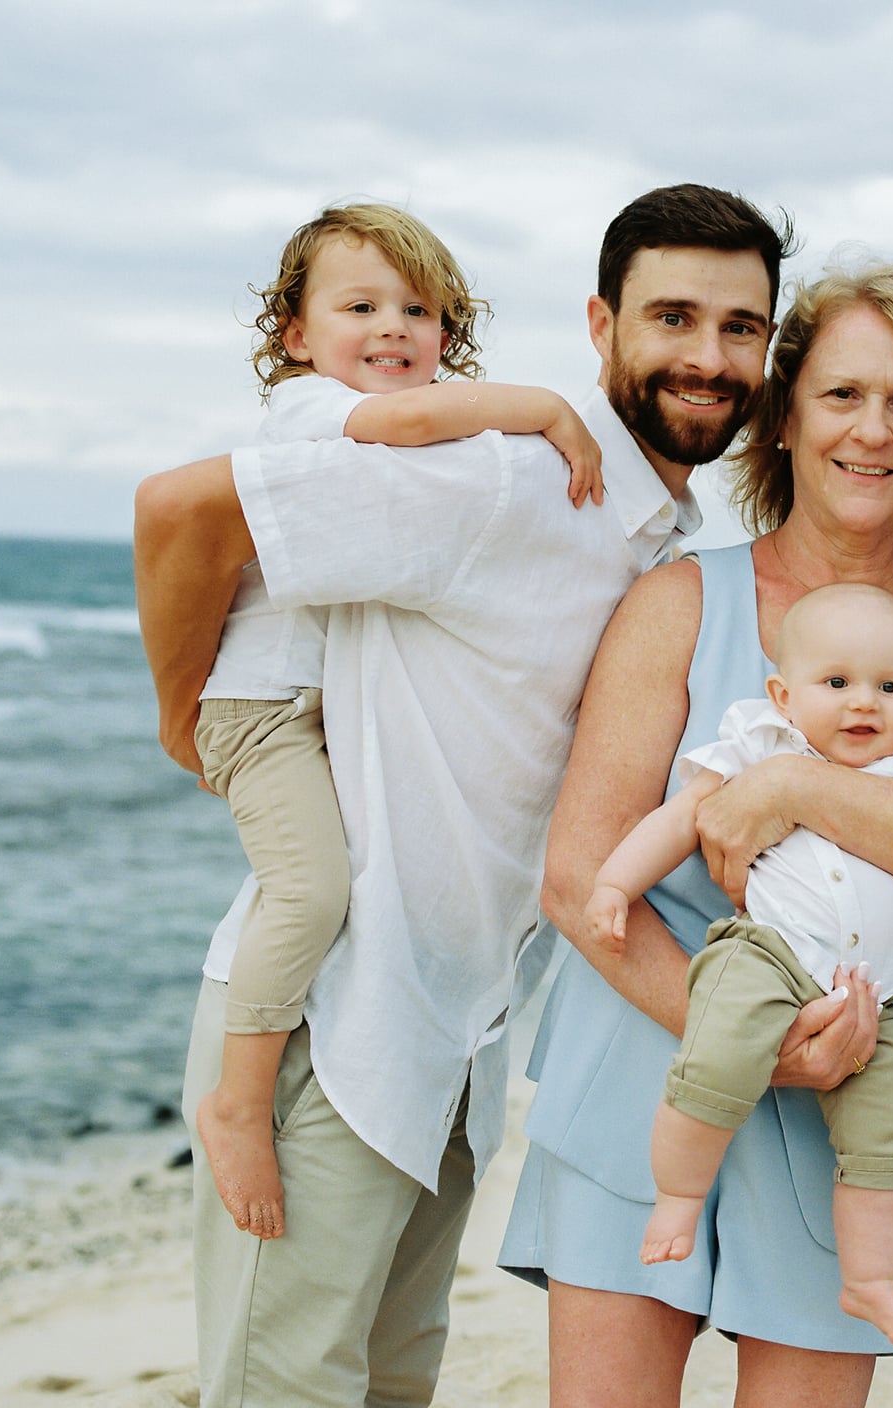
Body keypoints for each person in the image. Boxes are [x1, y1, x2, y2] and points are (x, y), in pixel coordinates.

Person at [133, 182, 794, 1408]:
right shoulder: (504, 482)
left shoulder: (660, 535)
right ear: (601, 325)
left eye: (741, 326)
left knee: (383, 1402)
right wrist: (185, 719)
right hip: (330, 1019)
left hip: (454, 1040)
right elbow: (183, 508)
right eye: (672, 317)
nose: (709, 357)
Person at [506, 261, 893, 1408]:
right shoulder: (676, 602)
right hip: (645, 1050)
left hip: (858, 1075)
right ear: (787, 415)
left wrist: (796, 782)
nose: (873, 429)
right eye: (843, 393)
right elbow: (577, 873)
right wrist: (745, 1041)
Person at [191, 202, 605, 1243]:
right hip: (264, 709)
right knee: (310, 889)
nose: (393, 328)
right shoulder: (312, 411)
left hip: (312, 710)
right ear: (295, 334)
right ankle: (238, 1099)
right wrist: (547, 408)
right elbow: (411, 421)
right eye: (361, 306)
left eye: (419, 311)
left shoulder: (397, 444)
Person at [583, 582, 893, 1356]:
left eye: (889, 687)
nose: (864, 702)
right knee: (716, 1057)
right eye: (837, 682)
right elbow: (682, 817)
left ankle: (871, 1278)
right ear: (783, 695)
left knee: (888, 1138)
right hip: (768, 952)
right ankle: (679, 1196)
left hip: (875, 991)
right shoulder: (761, 740)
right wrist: (614, 885)